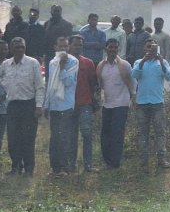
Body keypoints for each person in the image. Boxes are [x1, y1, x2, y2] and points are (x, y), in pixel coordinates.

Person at [0, 37, 45, 176]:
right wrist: (6, 84)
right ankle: (16, 166)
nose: (19, 50)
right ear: (11, 49)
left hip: (28, 105)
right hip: (12, 105)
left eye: (22, 47)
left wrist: (39, 106)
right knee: (13, 138)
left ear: (25, 48)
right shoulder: (6, 64)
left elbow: (39, 86)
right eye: (16, 47)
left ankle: (29, 169)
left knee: (27, 138)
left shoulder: (32, 63)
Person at [131, 38, 170, 169]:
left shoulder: (163, 62)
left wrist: (161, 61)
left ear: (157, 48)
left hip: (157, 103)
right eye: (148, 47)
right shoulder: (138, 62)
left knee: (160, 132)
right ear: (144, 49)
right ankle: (143, 160)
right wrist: (143, 61)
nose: (150, 49)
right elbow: (134, 74)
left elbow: (169, 77)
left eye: (153, 47)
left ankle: (161, 159)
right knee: (143, 133)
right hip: (142, 103)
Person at [43, 36, 79, 176]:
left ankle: (64, 168)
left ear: (68, 47)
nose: (63, 49)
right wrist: (47, 105)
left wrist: (63, 67)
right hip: (54, 105)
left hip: (66, 104)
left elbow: (69, 82)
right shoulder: (52, 62)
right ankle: (55, 168)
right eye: (61, 46)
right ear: (55, 47)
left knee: (64, 137)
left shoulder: (73, 61)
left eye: (65, 46)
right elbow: (51, 84)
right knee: (54, 138)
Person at [97, 39, 135, 169]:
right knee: (105, 134)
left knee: (117, 134)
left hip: (121, 104)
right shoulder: (101, 66)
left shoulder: (124, 65)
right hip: (107, 104)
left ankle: (115, 163)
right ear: (106, 49)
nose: (113, 50)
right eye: (110, 47)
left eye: (115, 48)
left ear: (118, 50)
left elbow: (133, 83)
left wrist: (132, 98)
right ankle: (107, 161)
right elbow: (100, 85)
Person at [68, 35, 98, 172]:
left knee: (86, 134)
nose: (78, 47)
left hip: (85, 103)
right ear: (69, 46)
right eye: (75, 44)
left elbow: (93, 84)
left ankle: (88, 164)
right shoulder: (64, 62)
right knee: (71, 135)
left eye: (80, 45)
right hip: (68, 105)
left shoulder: (88, 63)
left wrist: (93, 100)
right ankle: (71, 164)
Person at [43, 5, 73, 78]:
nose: (56, 13)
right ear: (51, 12)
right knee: (49, 76)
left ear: (61, 12)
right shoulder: (47, 24)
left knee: (62, 75)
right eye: (54, 11)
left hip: (62, 54)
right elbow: (44, 39)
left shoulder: (67, 25)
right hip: (49, 54)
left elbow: (69, 40)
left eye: (58, 11)